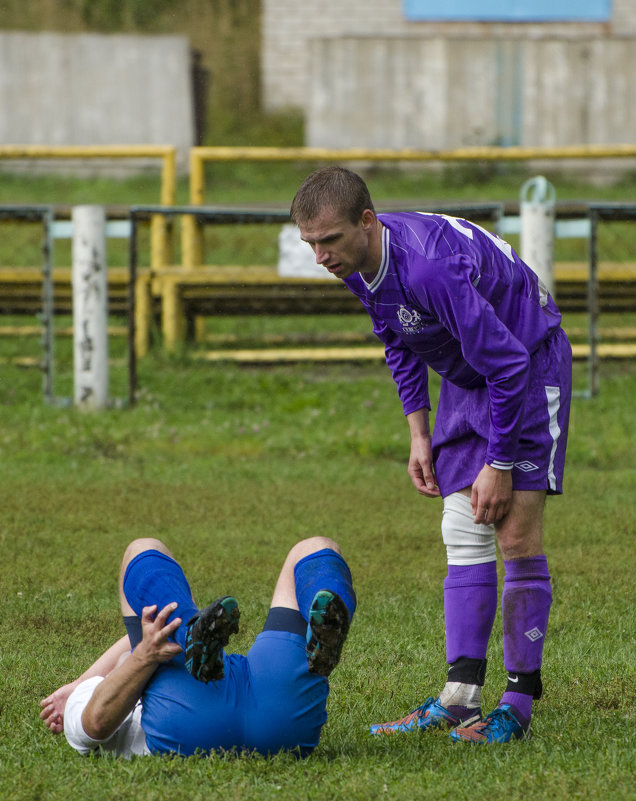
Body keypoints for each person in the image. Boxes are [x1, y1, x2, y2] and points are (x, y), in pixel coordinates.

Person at [290, 167, 571, 745]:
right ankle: (461, 697)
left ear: (367, 222)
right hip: (473, 371)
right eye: (310, 244)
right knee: (462, 527)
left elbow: (510, 364)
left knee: (514, 532)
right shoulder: (357, 264)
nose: (320, 256)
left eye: (329, 241)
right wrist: (419, 434)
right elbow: (397, 339)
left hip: (525, 362)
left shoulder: (428, 265)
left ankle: (516, 706)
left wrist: (497, 463)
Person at [40, 535, 356, 757]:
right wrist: (142, 657)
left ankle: (190, 630)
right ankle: (190, 630)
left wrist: (85, 679)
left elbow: (137, 639)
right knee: (142, 549)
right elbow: (94, 724)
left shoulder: (93, 687)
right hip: (200, 719)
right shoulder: (83, 706)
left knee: (314, 548)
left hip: (270, 713)